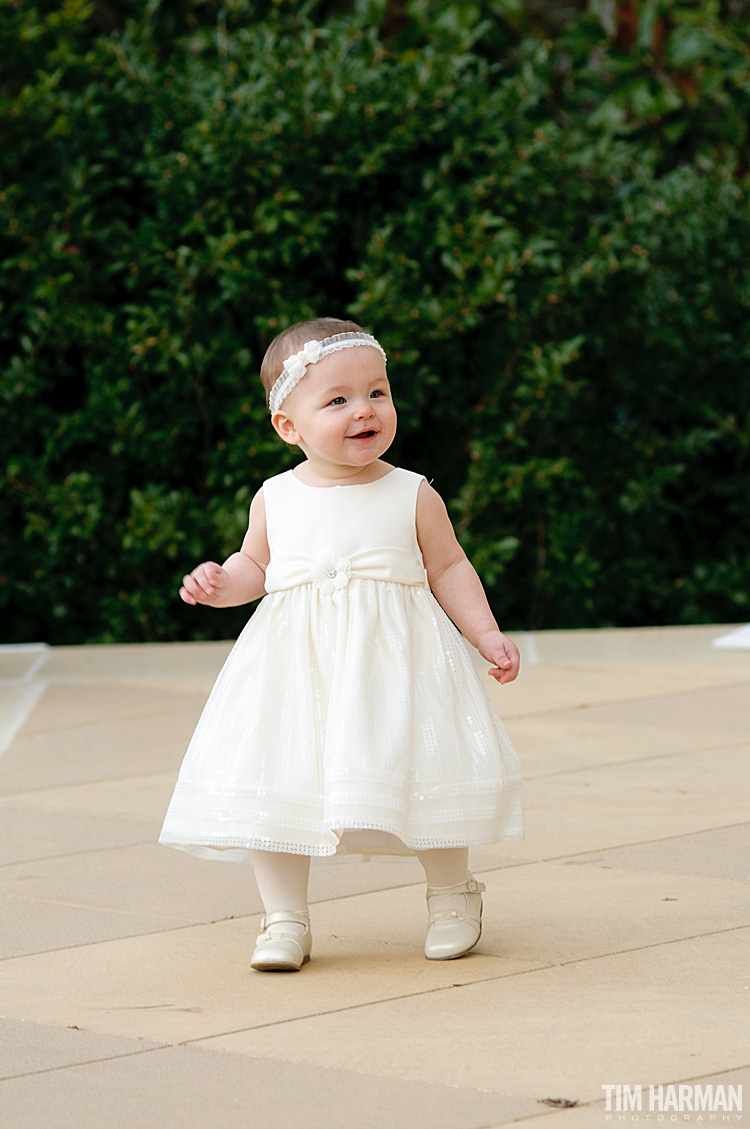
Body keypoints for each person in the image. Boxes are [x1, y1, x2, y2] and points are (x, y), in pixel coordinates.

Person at [159, 317, 524, 971]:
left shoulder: (411, 491)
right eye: (338, 400)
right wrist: (219, 584)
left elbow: (448, 568)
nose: (365, 409)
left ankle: (451, 894)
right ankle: (283, 917)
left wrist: (485, 632)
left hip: (397, 664)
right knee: (279, 779)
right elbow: (255, 567)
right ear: (288, 426)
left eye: (377, 392)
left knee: (423, 771)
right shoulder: (276, 497)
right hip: (297, 668)